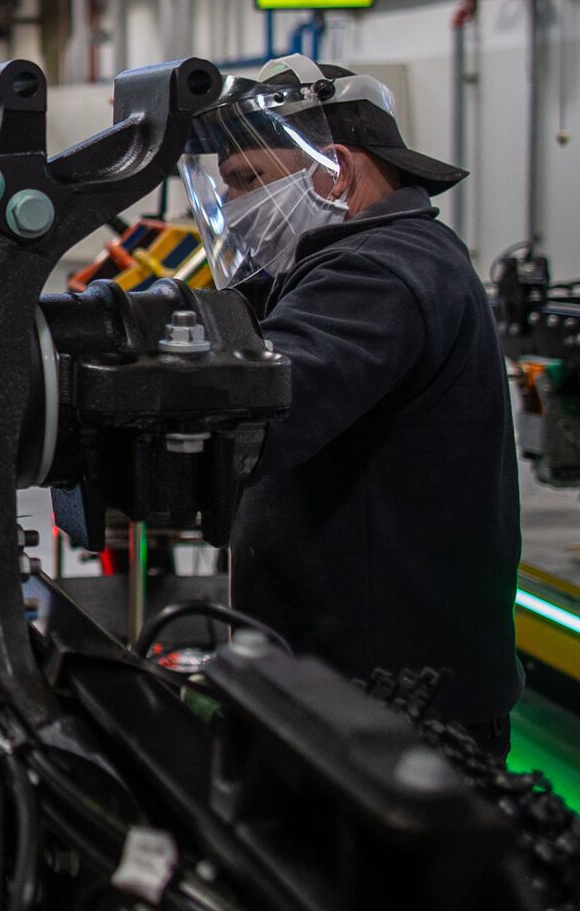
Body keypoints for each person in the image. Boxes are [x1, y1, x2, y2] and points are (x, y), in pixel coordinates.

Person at [179, 54, 521, 754]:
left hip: (392, 712)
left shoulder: (377, 271)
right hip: (360, 688)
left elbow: (264, 409)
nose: (237, 209)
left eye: (250, 181)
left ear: (333, 169)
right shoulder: (368, 258)